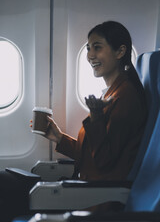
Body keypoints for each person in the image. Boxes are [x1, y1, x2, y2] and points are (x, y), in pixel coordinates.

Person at [31, 21, 148, 182]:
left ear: (120, 52)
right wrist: (59, 137)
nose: (90, 55)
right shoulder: (112, 92)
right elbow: (93, 153)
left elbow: (104, 162)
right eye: (88, 48)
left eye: (97, 47)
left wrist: (96, 116)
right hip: (91, 186)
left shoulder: (125, 98)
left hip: (100, 195)